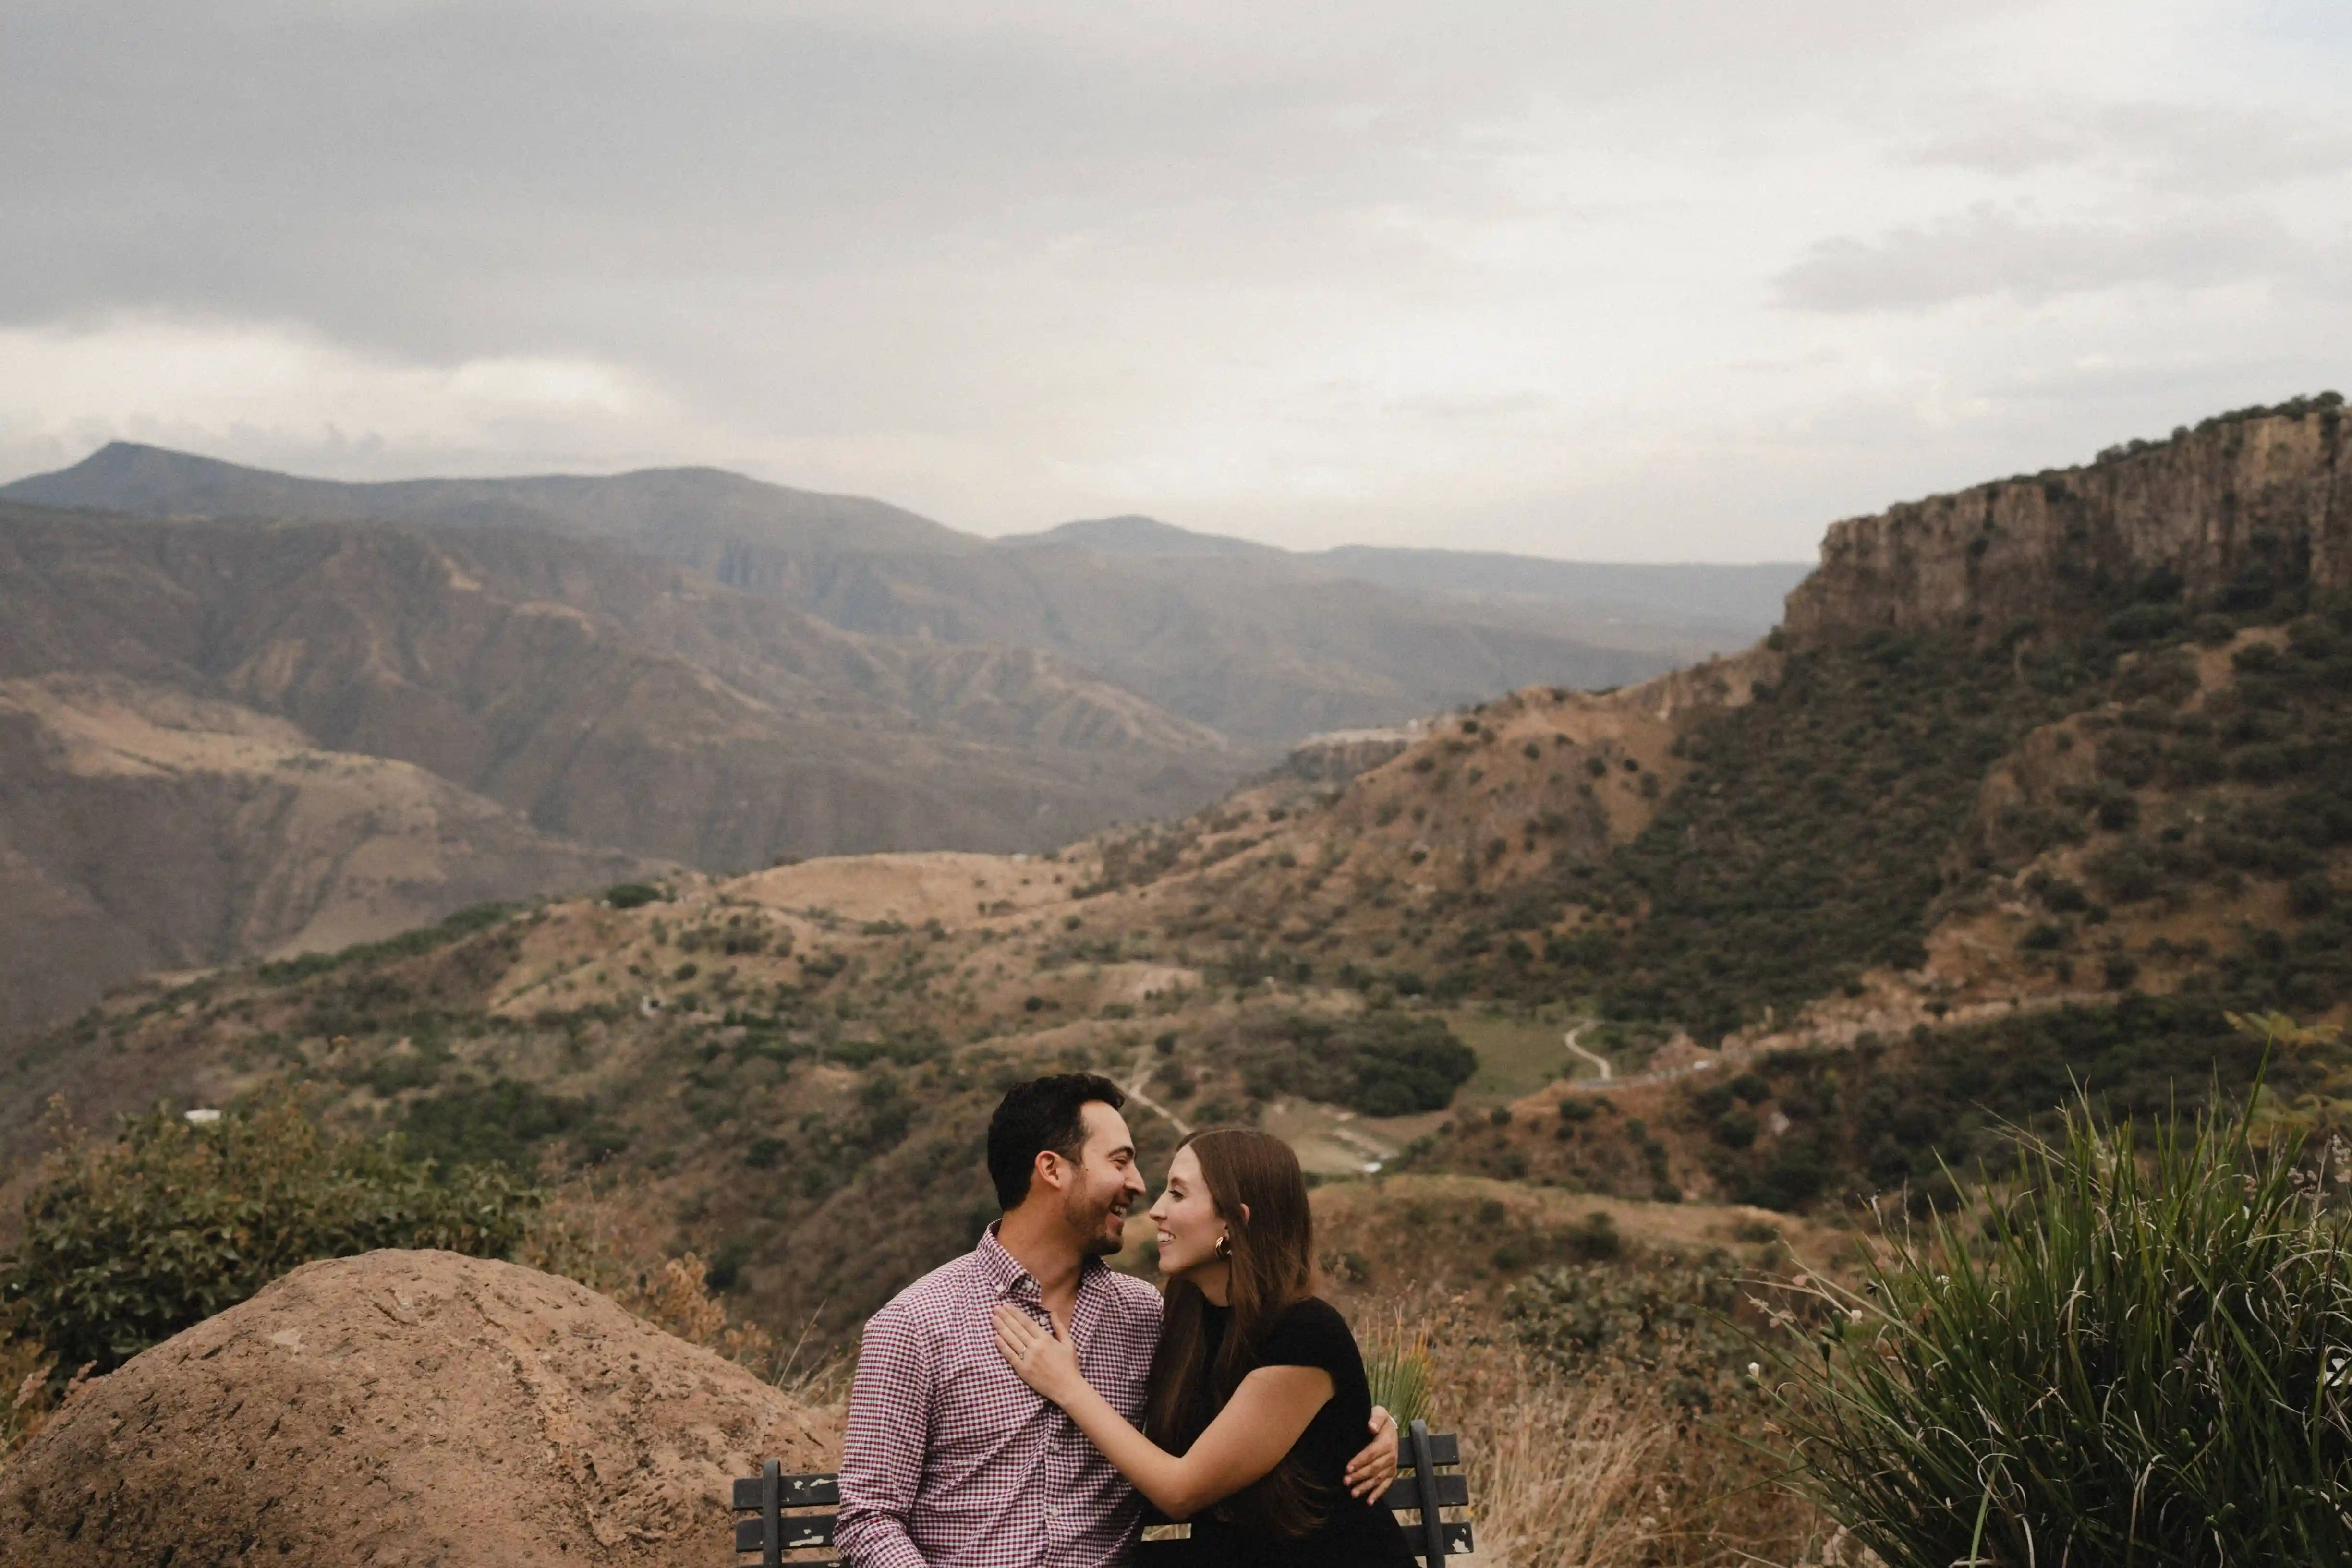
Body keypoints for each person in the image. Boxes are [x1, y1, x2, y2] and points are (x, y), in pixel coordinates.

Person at [835, 1076, 1397, 1568]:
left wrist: (1362, 1424)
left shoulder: (1145, 1316)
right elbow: (867, 1517)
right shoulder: (915, 1322)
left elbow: (1258, 1389)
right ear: (1052, 1169)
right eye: (1120, 1161)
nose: (1139, 1187)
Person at [992, 1127, 1419, 1568]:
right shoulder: (1186, 1320)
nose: (1156, 1211)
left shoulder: (1303, 1333)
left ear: (1235, 1222)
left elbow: (1179, 1491)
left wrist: (1068, 1386)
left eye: (1178, 1195)